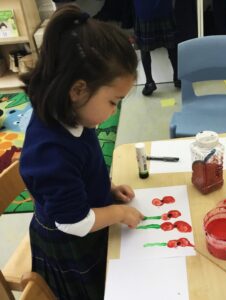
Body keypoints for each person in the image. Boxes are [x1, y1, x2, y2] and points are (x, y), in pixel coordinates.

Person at [19, 5, 144, 300]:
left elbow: (85, 168)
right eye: (114, 101)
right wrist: (118, 212)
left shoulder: (75, 114)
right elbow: (74, 222)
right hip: (70, 244)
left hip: (85, 222)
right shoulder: (50, 153)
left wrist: (108, 188)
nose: (115, 110)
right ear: (78, 90)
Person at [133, 0, 180, 96]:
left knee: (144, 48)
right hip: (164, 8)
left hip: (144, 9)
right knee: (171, 45)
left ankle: (149, 82)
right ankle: (178, 78)